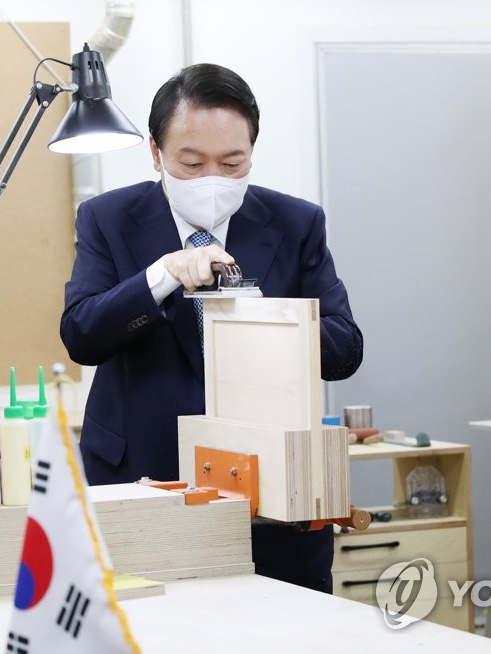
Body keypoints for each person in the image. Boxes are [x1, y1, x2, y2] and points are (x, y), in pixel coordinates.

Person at [60, 63, 363, 593]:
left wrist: (266, 317)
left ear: (252, 152)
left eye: (232, 162)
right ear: (156, 152)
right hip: (141, 478)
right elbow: (82, 334)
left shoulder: (296, 223)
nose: (213, 179)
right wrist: (160, 276)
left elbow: (344, 350)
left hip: (270, 490)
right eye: (192, 163)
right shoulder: (108, 218)